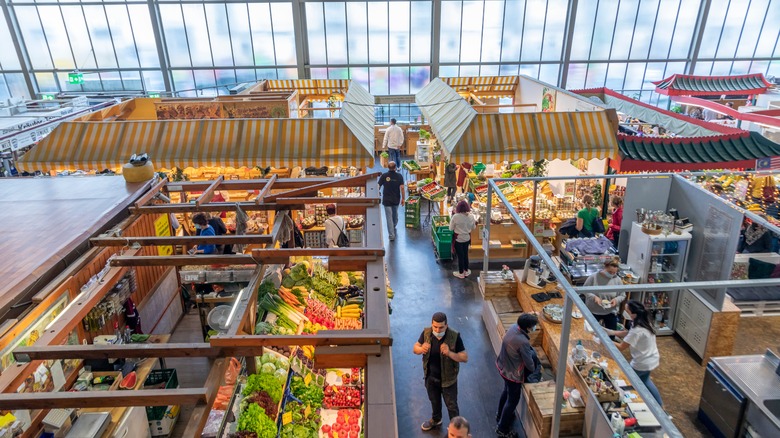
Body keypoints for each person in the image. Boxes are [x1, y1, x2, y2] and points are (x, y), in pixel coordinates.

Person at [413, 312, 468, 431]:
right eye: (435, 327)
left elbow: (464, 357)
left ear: (446, 326)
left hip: (448, 380)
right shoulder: (427, 333)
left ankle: (456, 429)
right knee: (434, 401)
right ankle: (436, 419)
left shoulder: (454, 336)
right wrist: (421, 349)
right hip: (431, 378)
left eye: (441, 327)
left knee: (452, 406)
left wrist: (450, 353)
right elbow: (415, 348)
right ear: (432, 325)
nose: (438, 330)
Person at [604, 300, 663, 407]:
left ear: (633, 314)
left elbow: (622, 347)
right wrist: (611, 332)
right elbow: (628, 333)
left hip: (642, 362)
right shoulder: (643, 321)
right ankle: (660, 405)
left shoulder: (637, 330)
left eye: (627, 311)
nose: (625, 312)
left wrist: (603, 339)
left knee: (626, 379)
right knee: (645, 381)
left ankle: (630, 403)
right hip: (651, 358)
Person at [496, 313, 541, 438]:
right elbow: (529, 364)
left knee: (506, 392)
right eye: (533, 326)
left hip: (503, 367)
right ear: (527, 328)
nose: (534, 328)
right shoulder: (523, 341)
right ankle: (502, 429)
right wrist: (536, 366)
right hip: (513, 375)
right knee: (512, 401)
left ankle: (500, 415)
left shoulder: (513, 328)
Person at [583, 257, 625, 332]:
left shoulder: (617, 280)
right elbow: (584, 290)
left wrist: (616, 300)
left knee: (611, 335)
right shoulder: (594, 277)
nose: (612, 274)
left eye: (614, 273)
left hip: (610, 311)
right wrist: (594, 297)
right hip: (593, 311)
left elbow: (622, 295)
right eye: (610, 272)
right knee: (590, 333)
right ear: (604, 267)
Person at [378, 162, 405, 241]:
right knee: (394, 215)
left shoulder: (384, 176)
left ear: (388, 167)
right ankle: (392, 233)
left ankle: (391, 232)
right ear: (395, 168)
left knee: (389, 218)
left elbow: (378, 185)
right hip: (396, 199)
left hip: (386, 200)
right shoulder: (399, 176)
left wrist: (377, 192)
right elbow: (402, 188)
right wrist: (403, 198)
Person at [449, 200, 477, 278]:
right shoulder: (471, 217)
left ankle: (461, 273)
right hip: (467, 239)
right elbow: (474, 228)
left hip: (458, 239)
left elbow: (450, 228)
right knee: (465, 255)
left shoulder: (455, 216)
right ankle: (466, 270)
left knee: (460, 256)